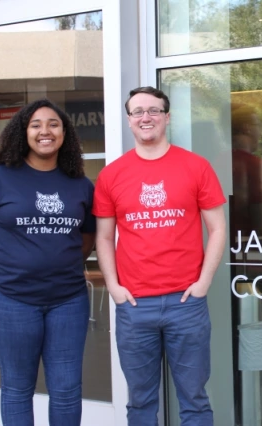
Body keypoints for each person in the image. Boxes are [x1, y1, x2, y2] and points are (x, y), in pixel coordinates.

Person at [93, 86, 226, 426]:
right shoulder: (111, 175)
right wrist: (113, 287)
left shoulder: (196, 167)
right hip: (135, 305)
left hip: (187, 303)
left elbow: (218, 229)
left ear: (167, 117)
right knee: (140, 402)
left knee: (195, 399)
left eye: (153, 110)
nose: (145, 117)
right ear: (128, 120)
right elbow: (104, 236)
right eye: (137, 112)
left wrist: (203, 283)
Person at [0, 99, 96, 426]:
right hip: (10, 301)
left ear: (65, 133)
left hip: (68, 301)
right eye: (36, 125)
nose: (45, 131)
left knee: (68, 390)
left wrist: (63, 265)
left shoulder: (80, 184)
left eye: (53, 124)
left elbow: (86, 239)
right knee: (17, 388)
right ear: (23, 132)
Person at [230, 103, 262, 234]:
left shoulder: (216, 163)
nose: (260, 132)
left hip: (227, 244)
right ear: (247, 128)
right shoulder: (257, 166)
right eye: (258, 126)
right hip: (251, 244)